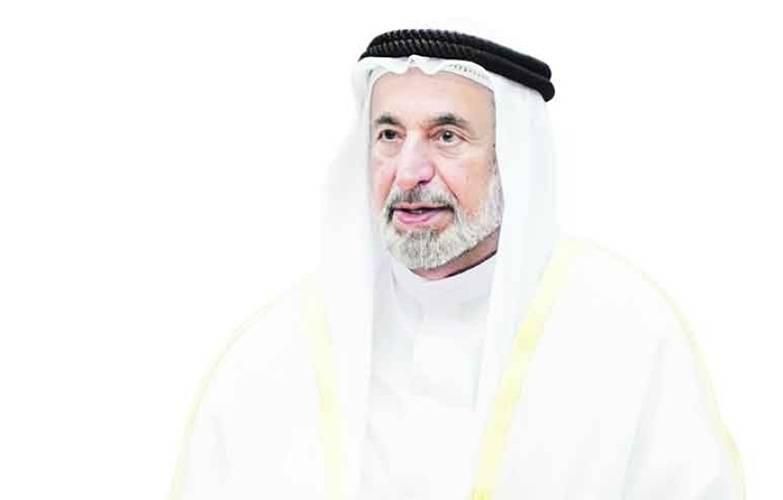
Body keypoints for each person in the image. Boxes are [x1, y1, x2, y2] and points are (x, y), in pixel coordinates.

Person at [169, 28, 744, 499]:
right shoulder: (270, 360)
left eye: (446, 136)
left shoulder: (629, 340)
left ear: (511, 156)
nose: (409, 171)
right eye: (388, 134)